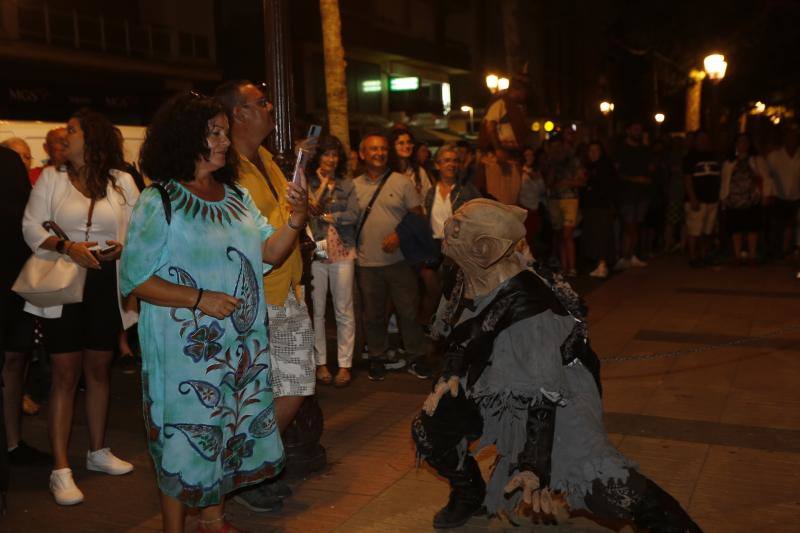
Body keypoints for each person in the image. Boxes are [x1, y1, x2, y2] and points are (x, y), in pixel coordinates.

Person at [412, 199, 701, 532]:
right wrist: (450, 373)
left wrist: (533, 465)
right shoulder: (464, 272)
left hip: (555, 394)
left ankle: (669, 523)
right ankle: (469, 493)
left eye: (457, 227)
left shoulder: (530, 310)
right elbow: (461, 332)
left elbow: (541, 398)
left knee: (600, 485)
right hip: (491, 380)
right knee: (431, 429)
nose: (448, 230)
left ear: (484, 248)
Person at [121, 91, 305, 532]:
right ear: (188, 139)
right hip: (185, 352)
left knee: (224, 430)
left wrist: (295, 221)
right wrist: (199, 298)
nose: (225, 141)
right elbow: (135, 278)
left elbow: (270, 253)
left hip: (239, 346)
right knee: (183, 439)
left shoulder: (236, 196)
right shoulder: (158, 200)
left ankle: (214, 518)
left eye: (224, 132)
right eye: (216, 133)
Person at [22, 109, 140, 505]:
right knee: (64, 373)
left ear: (91, 137)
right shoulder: (52, 179)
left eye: (72, 130)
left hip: (106, 282)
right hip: (64, 281)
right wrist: (66, 246)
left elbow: (140, 229)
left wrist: (124, 248)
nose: (65, 137)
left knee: (99, 369)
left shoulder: (122, 181)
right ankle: (60, 468)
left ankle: (98, 451)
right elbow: (31, 226)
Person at [214, 79, 315, 512]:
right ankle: (246, 473)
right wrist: (293, 212)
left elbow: (287, 217)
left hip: (286, 287)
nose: (271, 107)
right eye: (261, 102)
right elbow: (248, 233)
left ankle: (252, 465)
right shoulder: (227, 168)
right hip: (254, 296)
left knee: (295, 383)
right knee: (254, 391)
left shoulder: (268, 161)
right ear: (240, 113)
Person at [353, 132, 431, 381]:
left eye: (383, 149)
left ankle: (416, 357)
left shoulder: (401, 182)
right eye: (373, 149)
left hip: (400, 261)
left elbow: (418, 216)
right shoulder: (353, 186)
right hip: (367, 263)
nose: (379, 153)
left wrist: (400, 234)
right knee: (373, 314)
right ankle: (377, 356)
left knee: (408, 311)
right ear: (363, 154)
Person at [307, 135, 359, 388]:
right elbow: (308, 210)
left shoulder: (347, 184)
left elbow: (353, 214)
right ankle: (320, 363)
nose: (331, 159)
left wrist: (331, 216)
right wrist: (322, 183)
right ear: (317, 157)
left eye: (334, 154)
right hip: (317, 251)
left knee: (344, 309)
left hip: (343, 251)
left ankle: (345, 365)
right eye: (326, 154)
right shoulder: (308, 182)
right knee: (316, 310)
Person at [0, 145, 34, 513]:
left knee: (13, 364)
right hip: (12, 286)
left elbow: (25, 223)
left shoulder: (7, 163)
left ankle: (12, 445)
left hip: (12, 286)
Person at [721, 134, 769, 265]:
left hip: (752, 198)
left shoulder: (756, 160)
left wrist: (766, 195)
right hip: (734, 200)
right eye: (740, 142)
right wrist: (724, 197)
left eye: (745, 142)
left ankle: (752, 256)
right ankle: (738, 256)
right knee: (736, 228)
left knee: (752, 228)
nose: (743, 144)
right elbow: (725, 181)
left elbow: (765, 177)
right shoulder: (729, 161)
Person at [544, 136, 585, 277]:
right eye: (553, 147)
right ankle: (564, 266)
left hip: (570, 200)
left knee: (568, 235)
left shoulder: (573, 161)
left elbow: (581, 181)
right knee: (561, 235)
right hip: (554, 201)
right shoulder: (550, 162)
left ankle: (572, 267)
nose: (556, 150)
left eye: (558, 147)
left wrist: (566, 182)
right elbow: (548, 183)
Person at [614, 122, 652, 270]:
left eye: (640, 130)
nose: (638, 132)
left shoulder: (643, 149)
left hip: (642, 194)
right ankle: (626, 256)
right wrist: (635, 179)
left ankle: (631, 255)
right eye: (635, 129)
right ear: (628, 130)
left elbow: (650, 168)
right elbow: (617, 173)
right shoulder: (621, 149)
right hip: (627, 193)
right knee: (629, 225)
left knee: (637, 225)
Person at [683, 131, 721, 267]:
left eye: (706, 139)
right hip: (697, 199)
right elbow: (687, 179)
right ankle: (693, 256)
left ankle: (704, 254)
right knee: (695, 230)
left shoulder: (713, 156)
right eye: (701, 139)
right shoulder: (690, 157)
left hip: (712, 199)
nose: (704, 141)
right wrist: (692, 197)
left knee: (707, 230)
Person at [581, 141, 618, 279]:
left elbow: (608, 188)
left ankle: (603, 264)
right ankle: (599, 263)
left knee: (602, 235)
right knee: (594, 235)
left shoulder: (605, 167)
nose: (593, 153)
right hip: (591, 207)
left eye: (596, 150)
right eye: (591, 150)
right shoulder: (589, 167)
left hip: (602, 206)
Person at [765, 128, 800, 260]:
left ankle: (788, 251)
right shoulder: (774, 156)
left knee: (793, 224)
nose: (792, 140)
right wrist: (769, 194)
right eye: (789, 137)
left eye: (794, 138)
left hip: (796, 195)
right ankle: (775, 252)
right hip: (778, 196)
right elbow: (767, 176)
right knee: (776, 225)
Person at [390, 128, 433, 201]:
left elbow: (428, 197)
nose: (407, 146)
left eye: (409, 142)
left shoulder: (419, 171)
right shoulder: (386, 171)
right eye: (401, 143)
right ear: (392, 146)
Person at [518, 147, 546, 254]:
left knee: (533, 237)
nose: (529, 158)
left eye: (531, 155)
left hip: (534, 207)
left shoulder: (537, 171)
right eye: (527, 155)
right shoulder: (519, 170)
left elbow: (542, 190)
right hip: (522, 207)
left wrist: (536, 178)